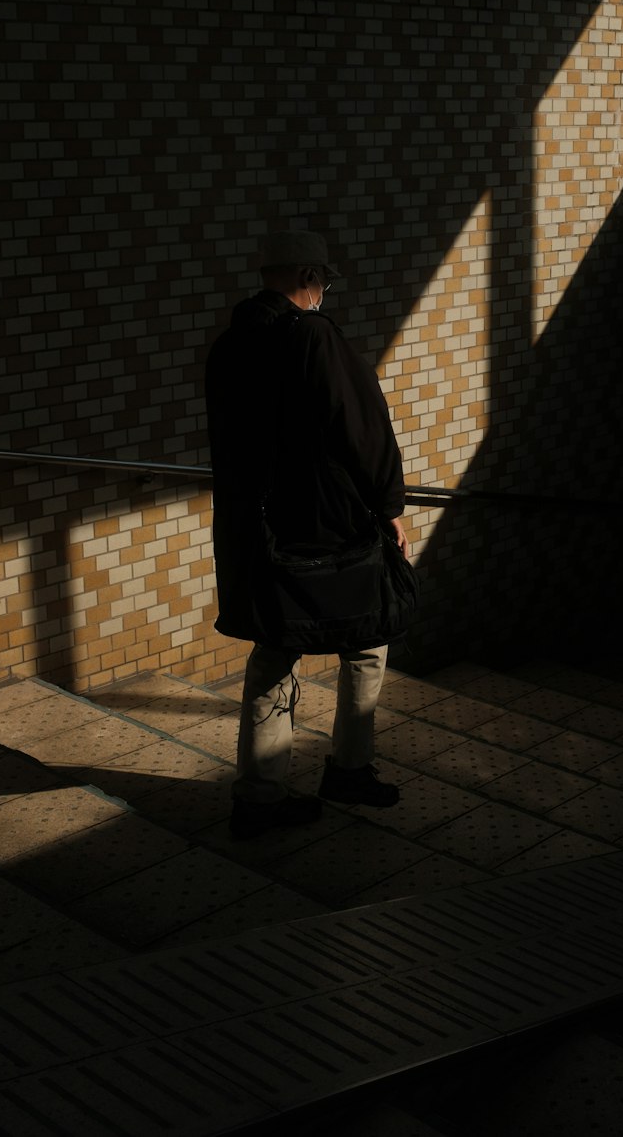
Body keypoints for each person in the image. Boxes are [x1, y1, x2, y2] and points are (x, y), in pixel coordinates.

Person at [205, 229, 409, 840]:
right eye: (325, 280)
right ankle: (350, 769)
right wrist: (390, 504)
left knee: (274, 650)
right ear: (309, 276)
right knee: (369, 642)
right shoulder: (314, 336)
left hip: (258, 527)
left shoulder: (230, 344)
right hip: (329, 523)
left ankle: (260, 798)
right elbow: (363, 428)